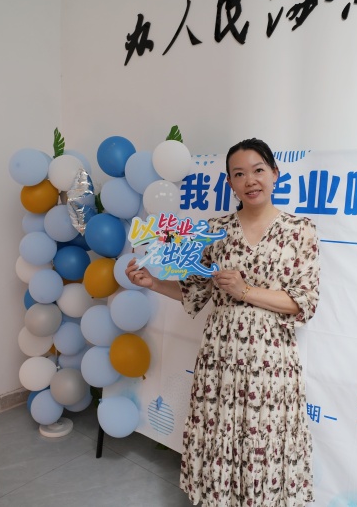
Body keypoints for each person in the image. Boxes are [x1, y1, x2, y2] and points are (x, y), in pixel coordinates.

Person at [125, 138, 320, 506]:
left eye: (258, 170)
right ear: (229, 183)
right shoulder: (216, 230)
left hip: (271, 359)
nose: (250, 180)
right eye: (239, 174)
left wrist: (245, 290)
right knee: (220, 433)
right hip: (221, 356)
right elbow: (194, 292)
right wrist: (153, 283)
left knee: (265, 440)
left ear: (275, 173)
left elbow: (304, 302)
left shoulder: (300, 230)